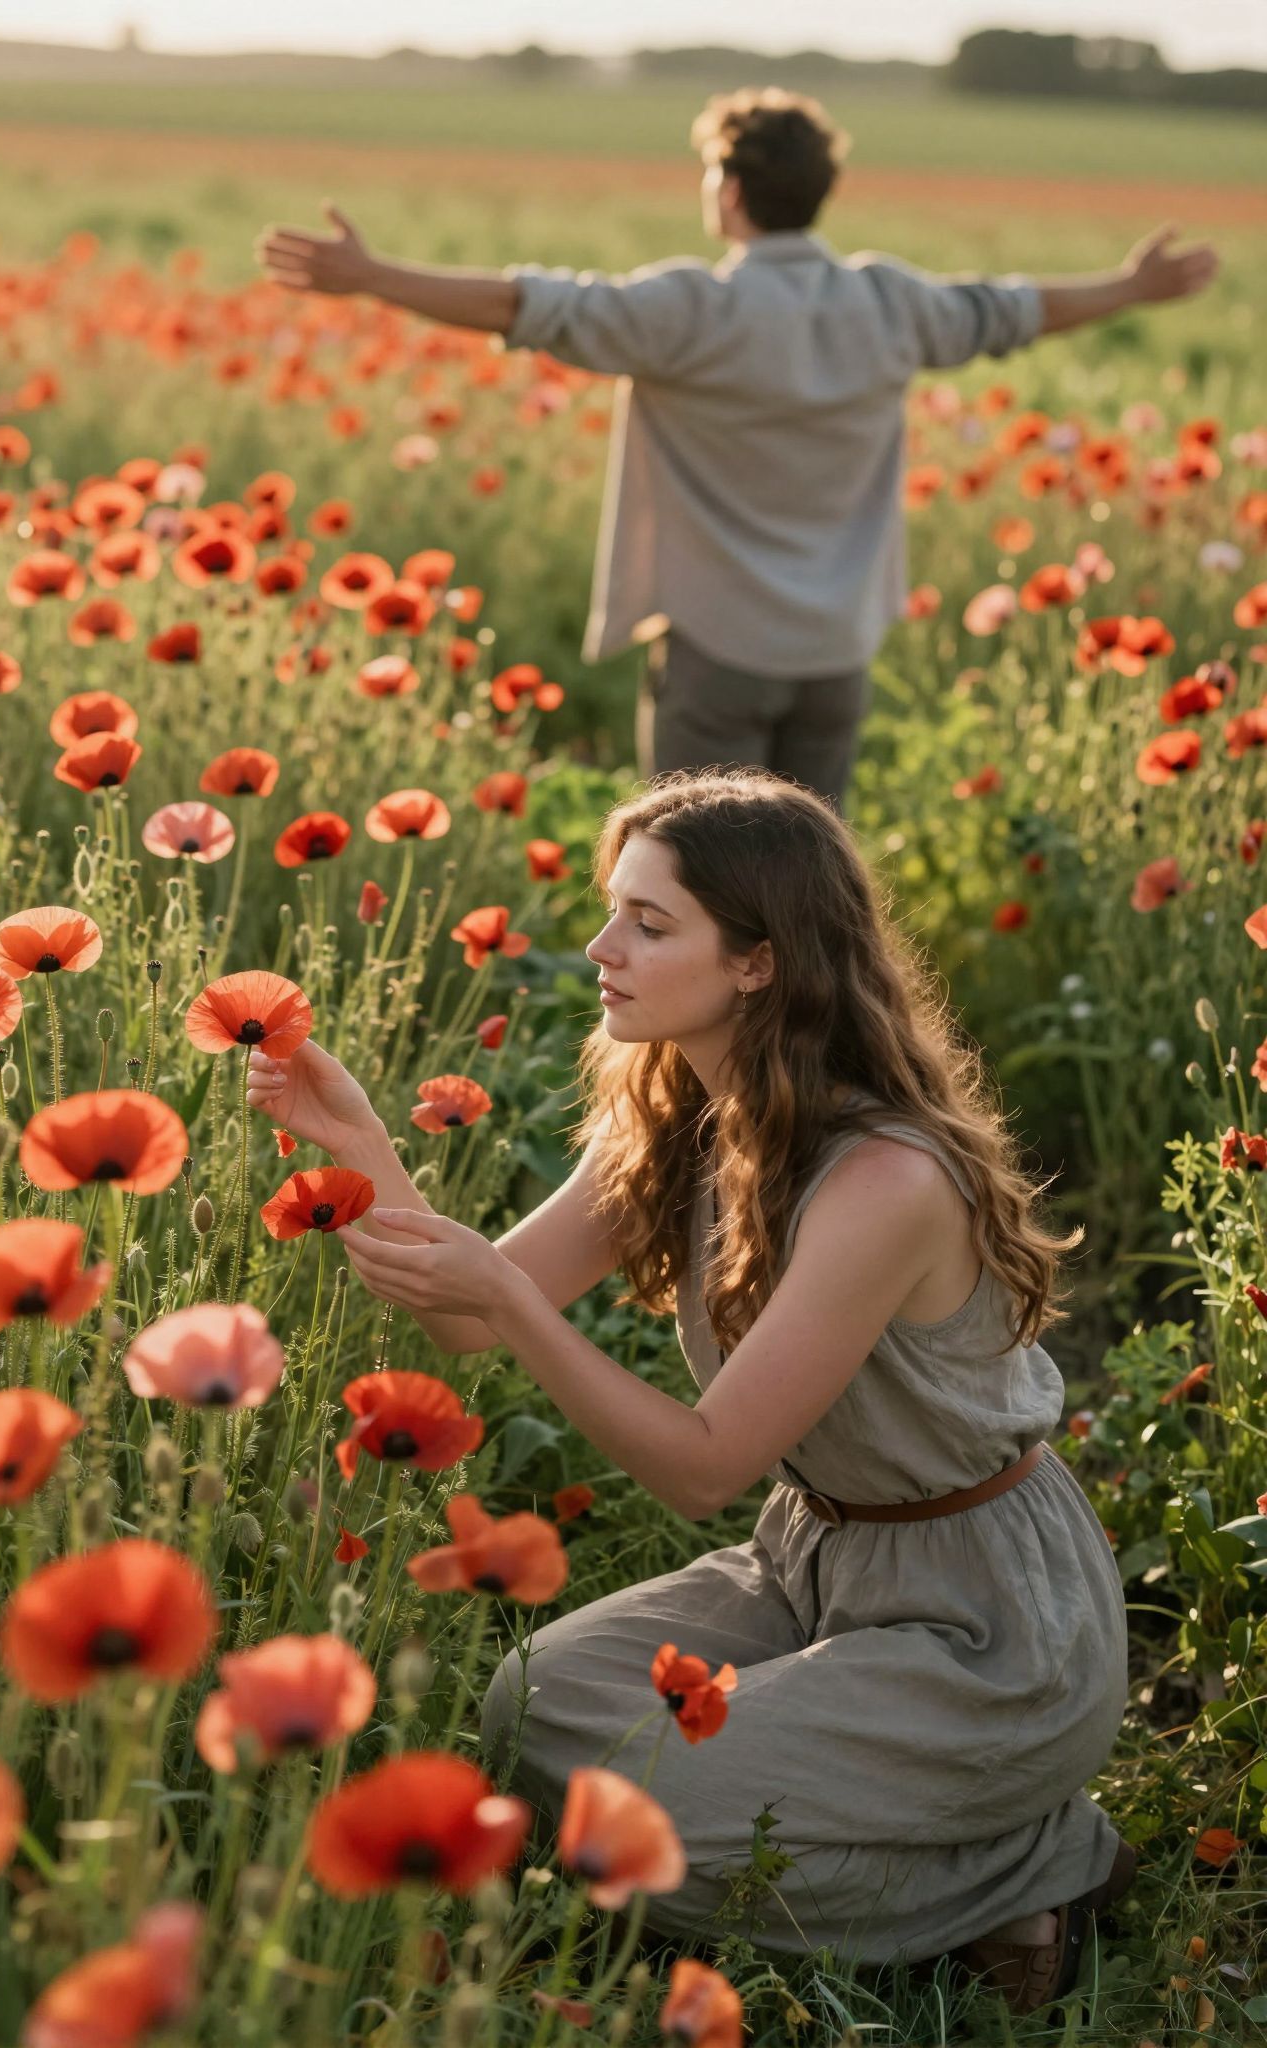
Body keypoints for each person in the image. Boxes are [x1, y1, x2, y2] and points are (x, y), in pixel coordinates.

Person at [244, 768, 1134, 2012]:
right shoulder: (687, 1122)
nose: (604, 948)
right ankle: (929, 1831)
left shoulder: (883, 1178)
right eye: (616, 911)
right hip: (812, 1559)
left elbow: (704, 1461)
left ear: (759, 962)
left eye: (650, 924)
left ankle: (1031, 1859)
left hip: (983, 1616)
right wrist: (361, 1149)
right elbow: (468, 1313)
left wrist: (503, 1301)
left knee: (636, 1816)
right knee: (534, 1706)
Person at [254, 87, 1218, 805]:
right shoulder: (892, 303)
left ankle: (698, 1081)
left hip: (718, 645)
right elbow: (1015, 309)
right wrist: (1131, 288)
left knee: (694, 882)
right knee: (806, 883)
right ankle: (803, 1067)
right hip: (837, 647)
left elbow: (525, 305)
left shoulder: (692, 309)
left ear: (732, 190)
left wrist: (375, 276)